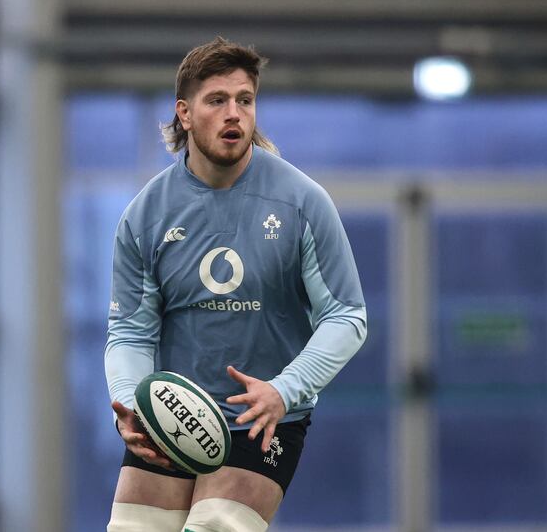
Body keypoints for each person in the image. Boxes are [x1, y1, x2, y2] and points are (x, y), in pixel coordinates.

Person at [104, 36, 367, 532]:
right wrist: (130, 401)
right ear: (184, 113)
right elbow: (131, 332)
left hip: (263, 420)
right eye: (217, 101)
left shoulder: (302, 202)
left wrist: (284, 392)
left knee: (214, 528)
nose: (234, 114)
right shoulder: (145, 215)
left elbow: (347, 317)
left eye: (244, 100)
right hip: (174, 415)